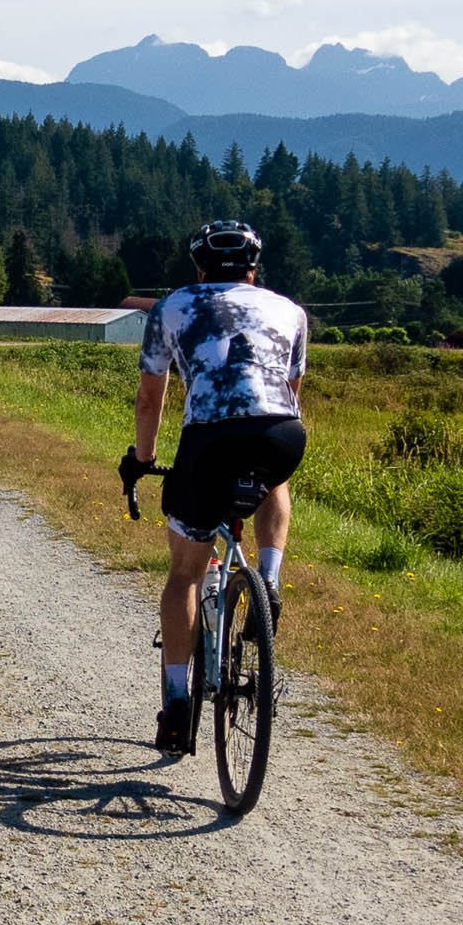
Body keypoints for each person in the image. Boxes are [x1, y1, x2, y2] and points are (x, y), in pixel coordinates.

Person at [124, 219, 307, 756]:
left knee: (184, 573)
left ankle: (178, 704)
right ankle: (268, 578)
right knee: (277, 479)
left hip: (209, 438)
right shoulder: (291, 311)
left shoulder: (173, 307)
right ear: (254, 266)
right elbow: (290, 392)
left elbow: (149, 398)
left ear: (199, 265)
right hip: (280, 432)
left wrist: (144, 459)